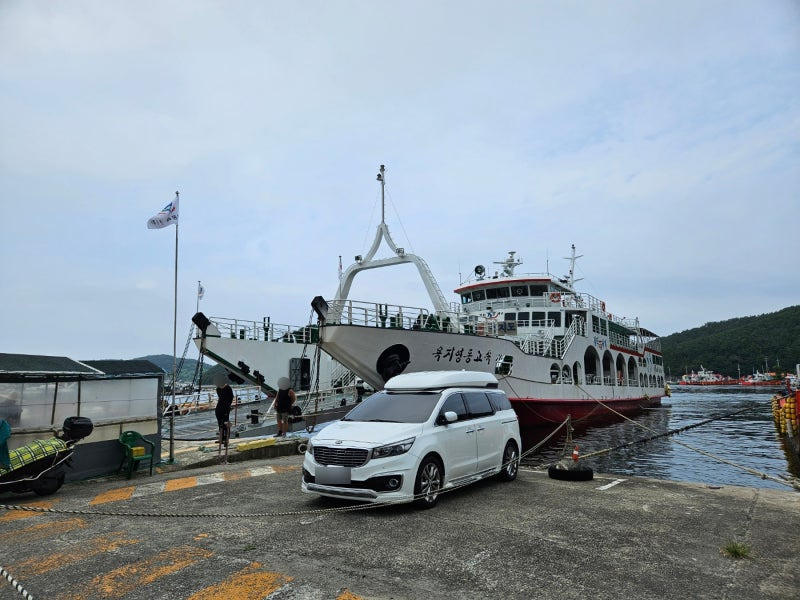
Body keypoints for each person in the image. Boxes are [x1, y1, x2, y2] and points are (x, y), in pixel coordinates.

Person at [214, 374, 234, 444]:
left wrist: (228, 406)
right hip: (219, 407)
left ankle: (226, 438)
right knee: (220, 423)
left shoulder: (228, 388)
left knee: (226, 423)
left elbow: (231, 397)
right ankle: (221, 438)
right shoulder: (218, 389)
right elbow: (220, 398)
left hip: (225, 407)